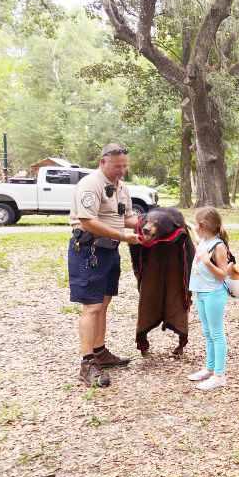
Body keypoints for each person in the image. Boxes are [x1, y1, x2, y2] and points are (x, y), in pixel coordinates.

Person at [68, 143, 142, 387]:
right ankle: (87, 363)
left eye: (125, 166)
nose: (122, 171)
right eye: (117, 166)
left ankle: (99, 353)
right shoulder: (91, 184)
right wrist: (122, 235)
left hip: (109, 251)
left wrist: (150, 223)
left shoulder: (121, 187)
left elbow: (126, 217)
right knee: (92, 307)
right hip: (89, 250)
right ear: (103, 162)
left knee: (104, 303)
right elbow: (87, 221)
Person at [186, 207, 231, 391]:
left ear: (204, 226)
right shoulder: (204, 241)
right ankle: (210, 368)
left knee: (217, 334)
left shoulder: (218, 246)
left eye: (196, 224)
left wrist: (206, 262)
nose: (195, 227)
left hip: (214, 293)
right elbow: (197, 239)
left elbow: (222, 274)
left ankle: (219, 375)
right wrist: (188, 226)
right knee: (207, 333)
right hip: (202, 293)